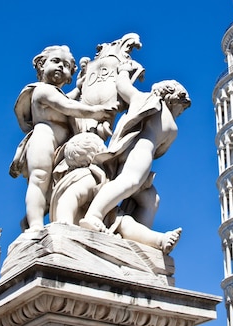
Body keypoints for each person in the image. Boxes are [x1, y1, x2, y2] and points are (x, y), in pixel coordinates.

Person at [79, 61, 191, 237]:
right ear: (174, 100)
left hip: (125, 150)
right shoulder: (172, 127)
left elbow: (122, 86)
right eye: (181, 109)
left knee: (151, 199)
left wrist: (124, 69)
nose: (180, 113)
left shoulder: (143, 100)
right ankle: (94, 215)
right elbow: (161, 151)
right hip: (142, 153)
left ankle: (136, 237)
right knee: (129, 182)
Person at [10, 45, 115, 232]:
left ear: (69, 76)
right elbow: (67, 106)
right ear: (41, 65)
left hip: (61, 146)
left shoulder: (58, 93)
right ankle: (34, 226)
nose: (61, 67)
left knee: (51, 188)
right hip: (44, 137)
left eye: (66, 65)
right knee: (40, 179)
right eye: (56, 61)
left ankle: (29, 219)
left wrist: (81, 87)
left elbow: (69, 99)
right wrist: (96, 112)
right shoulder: (42, 90)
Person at [51, 132, 182, 254]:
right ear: (96, 153)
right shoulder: (87, 177)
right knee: (125, 223)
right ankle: (159, 240)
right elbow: (69, 198)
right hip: (79, 224)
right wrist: (65, 221)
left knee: (125, 222)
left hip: (101, 221)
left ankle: (159, 240)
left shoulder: (97, 177)